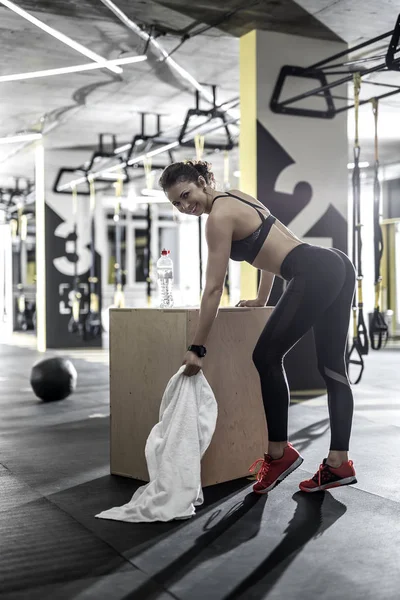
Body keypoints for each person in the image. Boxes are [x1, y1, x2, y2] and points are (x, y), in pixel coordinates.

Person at [158, 160, 357, 494]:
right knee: (333, 368)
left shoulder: (217, 219)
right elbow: (269, 250)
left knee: (266, 356)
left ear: (205, 182)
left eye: (186, 194)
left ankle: (279, 454)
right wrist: (261, 299)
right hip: (335, 263)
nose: (184, 206)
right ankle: (340, 463)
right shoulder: (238, 197)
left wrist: (197, 348)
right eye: (176, 203)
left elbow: (214, 289)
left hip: (310, 270)